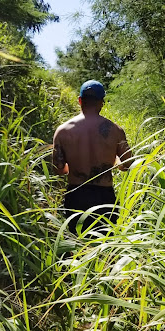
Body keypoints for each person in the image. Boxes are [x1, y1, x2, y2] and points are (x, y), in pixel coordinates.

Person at [52, 80, 132, 234]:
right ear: (102, 103)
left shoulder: (62, 131)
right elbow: (128, 164)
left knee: (78, 244)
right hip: (104, 197)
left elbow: (58, 169)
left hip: (76, 195)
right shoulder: (115, 130)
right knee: (104, 246)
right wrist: (115, 163)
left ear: (80, 100)